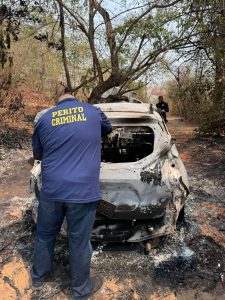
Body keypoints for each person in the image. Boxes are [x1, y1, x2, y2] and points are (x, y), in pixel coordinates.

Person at [31, 87, 112, 300]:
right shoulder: (93, 111)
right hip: (82, 192)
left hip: (52, 190)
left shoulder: (44, 119)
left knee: (45, 235)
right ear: (76, 98)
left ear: (57, 102)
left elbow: (38, 153)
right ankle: (80, 291)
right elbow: (107, 129)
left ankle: (38, 278)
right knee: (79, 242)